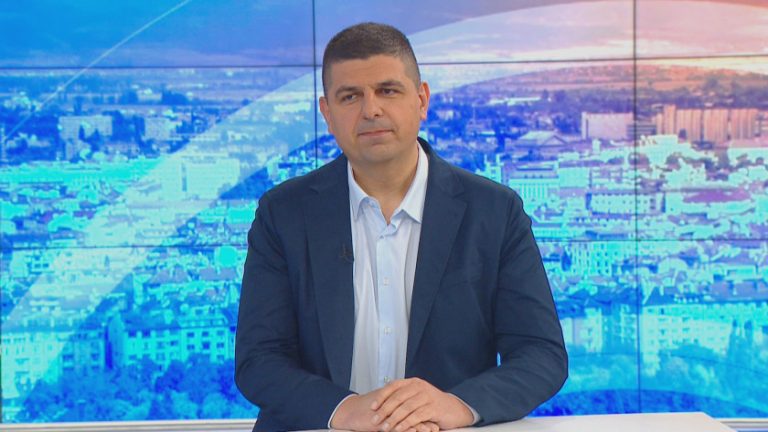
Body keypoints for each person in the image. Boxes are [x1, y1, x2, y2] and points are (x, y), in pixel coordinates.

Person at [235, 22, 567, 432]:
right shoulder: (283, 213)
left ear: (421, 100)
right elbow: (258, 359)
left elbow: (541, 354)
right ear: (327, 113)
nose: (371, 110)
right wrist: (344, 410)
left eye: (388, 91)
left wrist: (456, 405)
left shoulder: (495, 211)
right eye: (350, 96)